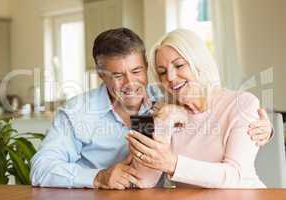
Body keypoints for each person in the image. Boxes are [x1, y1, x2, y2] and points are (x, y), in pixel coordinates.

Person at [30, 28, 272, 189]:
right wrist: (98, 177)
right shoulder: (162, 108)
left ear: (145, 68)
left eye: (136, 72)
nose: (130, 83)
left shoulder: (159, 101)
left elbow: (237, 168)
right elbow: (143, 178)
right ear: (102, 76)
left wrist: (265, 129)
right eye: (117, 75)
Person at [127, 29, 270, 188]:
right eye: (162, 72)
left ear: (199, 63)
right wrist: (164, 122)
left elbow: (234, 176)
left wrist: (172, 164)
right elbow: (144, 180)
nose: (170, 77)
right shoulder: (159, 108)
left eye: (179, 65)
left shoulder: (243, 103)